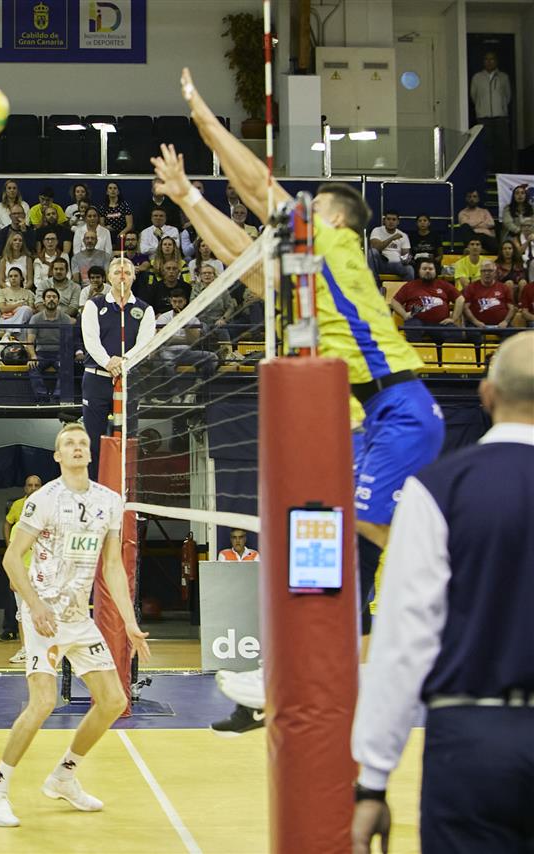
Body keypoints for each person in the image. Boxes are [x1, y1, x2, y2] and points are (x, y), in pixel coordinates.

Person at [167, 69, 446, 719]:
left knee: (339, 525)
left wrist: (204, 119)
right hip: (358, 426)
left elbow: (258, 188)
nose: (300, 212)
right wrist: (188, 199)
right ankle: (292, 678)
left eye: (311, 205)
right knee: (322, 559)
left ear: (334, 218)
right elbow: (244, 258)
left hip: (395, 411)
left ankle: (457, 585)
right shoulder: (308, 285)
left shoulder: (337, 245)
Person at [350, 332, 534, 854]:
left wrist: (373, 781)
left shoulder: (437, 489)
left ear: (486, 395)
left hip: (472, 739)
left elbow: (403, 643)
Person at [0, 422, 150, 828]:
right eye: (68, 443)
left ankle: (64, 776)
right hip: (44, 616)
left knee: (113, 701)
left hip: (77, 618)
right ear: (57, 455)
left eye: (82, 443)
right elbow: (11, 558)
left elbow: (112, 566)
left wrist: (129, 621)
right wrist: (34, 605)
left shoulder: (110, 501)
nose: (76, 447)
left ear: (90, 453)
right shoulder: (44, 500)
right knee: (43, 702)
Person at [80, 255, 157, 478]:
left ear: (134, 277)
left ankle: (126, 490)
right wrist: (108, 362)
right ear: (109, 277)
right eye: (117, 272)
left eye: (127, 272)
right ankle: (93, 487)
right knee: (92, 441)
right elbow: (90, 340)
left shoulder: (145, 310)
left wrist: (122, 362)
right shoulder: (94, 305)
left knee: (127, 440)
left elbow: (145, 344)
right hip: (96, 379)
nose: (122, 276)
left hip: (128, 380)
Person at [0, 474, 43, 653]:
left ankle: (43, 649)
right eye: (30, 485)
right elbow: (11, 556)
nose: (33, 488)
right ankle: (26, 649)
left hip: (43, 575)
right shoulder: (18, 524)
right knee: (22, 612)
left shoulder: (48, 520)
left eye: (36, 485)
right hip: (23, 573)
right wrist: (13, 575)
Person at [392, 260, 466, 344]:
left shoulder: (444, 285)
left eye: (430, 269)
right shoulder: (409, 286)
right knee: (412, 328)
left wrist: (453, 319)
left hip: (440, 323)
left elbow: (460, 299)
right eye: (424, 269)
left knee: (455, 333)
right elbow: (394, 302)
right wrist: (404, 314)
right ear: (419, 271)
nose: (427, 271)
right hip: (416, 321)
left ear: (435, 271)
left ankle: (445, 352)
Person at [469, 50, 513, 173]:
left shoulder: (503, 77)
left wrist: (501, 108)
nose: (489, 62)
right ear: (483, 61)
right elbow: (474, 96)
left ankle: (503, 172)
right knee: (486, 145)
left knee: (502, 146)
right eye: (486, 59)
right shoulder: (477, 77)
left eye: (492, 59)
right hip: (484, 118)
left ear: (496, 61)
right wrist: (482, 108)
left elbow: (507, 96)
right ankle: (488, 172)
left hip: (500, 117)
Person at [28, 288, 75, 403]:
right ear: (44, 301)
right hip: (41, 353)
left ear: (58, 301)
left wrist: (66, 357)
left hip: (59, 353)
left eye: (54, 297)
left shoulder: (65, 318)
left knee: (66, 366)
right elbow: (30, 342)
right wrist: (33, 356)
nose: (51, 299)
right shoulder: (35, 318)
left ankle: (57, 398)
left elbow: (68, 341)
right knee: (32, 367)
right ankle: (42, 397)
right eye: (48, 297)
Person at [460, 259, 515, 338]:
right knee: (472, 334)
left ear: (495, 272)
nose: (487, 273)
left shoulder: (503, 288)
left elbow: (512, 308)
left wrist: (505, 321)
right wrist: (476, 322)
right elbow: (465, 308)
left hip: (501, 325)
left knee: (512, 334)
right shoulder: (471, 288)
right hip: (477, 325)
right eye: (484, 271)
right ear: (480, 273)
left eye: (490, 271)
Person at [367, 210, 413, 280]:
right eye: (388, 219)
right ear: (384, 221)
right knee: (372, 252)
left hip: (397, 265)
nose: (391, 222)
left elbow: (405, 256)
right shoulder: (377, 230)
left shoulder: (403, 235)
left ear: (398, 222)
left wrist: (406, 259)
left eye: (394, 219)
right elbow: (375, 247)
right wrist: (392, 238)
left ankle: (407, 287)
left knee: (409, 269)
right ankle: (373, 284)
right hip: (381, 264)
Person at [456, 189, 499, 254]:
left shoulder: (484, 211)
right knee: (465, 227)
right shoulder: (462, 213)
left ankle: (482, 251)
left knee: (496, 246)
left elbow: (491, 223)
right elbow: (466, 225)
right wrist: (482, 222)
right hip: (472, 237)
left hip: (485, 236)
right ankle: (477, 250)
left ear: (478, 199)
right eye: (469, 197)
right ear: (466, 199)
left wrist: (474, 224)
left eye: (474, 196)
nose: (472, 199)